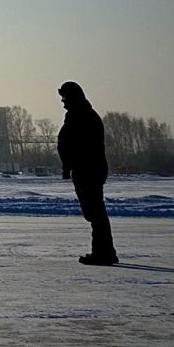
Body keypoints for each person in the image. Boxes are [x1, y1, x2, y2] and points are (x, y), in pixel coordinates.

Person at [56, 80, 117, 266]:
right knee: (94, 212)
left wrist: (70, 165)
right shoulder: (82, 114)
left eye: (65, 97)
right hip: (87, 169)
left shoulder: (82, 116)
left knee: (95, 212)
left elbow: (78, 145)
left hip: (87, 169)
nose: (63, 102)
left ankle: (103, 252)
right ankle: (104, 251)